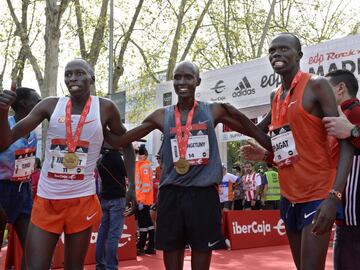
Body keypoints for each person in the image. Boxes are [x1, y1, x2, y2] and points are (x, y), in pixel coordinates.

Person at [105, 60, 272, 270]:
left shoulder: (213, 111)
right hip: (171, 194)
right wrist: (101, 120)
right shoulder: (162, 115)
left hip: (203, 195)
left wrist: (269, 145)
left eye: (188, 77)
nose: (182, 82)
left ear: (198, 81)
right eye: (177, 77)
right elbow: (120, 141)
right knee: (172, 258)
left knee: (201, 256)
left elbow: (252, 130)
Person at [0, 58, 136, 270]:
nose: (73, 78)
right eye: (68, 74)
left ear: (92, 78)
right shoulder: (50, 105)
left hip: (81, 199)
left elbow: (126, 143)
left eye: (79, 73)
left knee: (74, 266)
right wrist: (2, 111)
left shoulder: (105, 108)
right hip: (47, 199)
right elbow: (5, 141)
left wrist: (132, 185)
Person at [240, 33, 353, 270]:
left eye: (283, 49)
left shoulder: (316, 85)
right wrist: (228, 116)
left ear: (299, 55)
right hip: (289, 195)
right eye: (272, 50)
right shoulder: (275, 96)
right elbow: (269, 138)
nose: (276, 54)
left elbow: (346, 142)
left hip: (318, 192)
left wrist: (334, 197)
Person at [322, 69, 360, 270]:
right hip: (345, 215)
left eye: (324, 89)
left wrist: (352, 131)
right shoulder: (339, 115)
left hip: (353, 216)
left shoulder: (354, 112)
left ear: (341, 88)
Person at [0, 86, 41, 269]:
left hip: (22, 190)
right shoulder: (4, 125)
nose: (41, 104)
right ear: (25, 104)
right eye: (37, 100)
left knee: (33, 247)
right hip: (2, 189)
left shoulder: (33, 130)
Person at [95, 142, 135, 270]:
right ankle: (112, 266)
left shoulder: (101, 160)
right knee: (114, 235)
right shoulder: (117, 157)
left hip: (105, 199)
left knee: (102, 233)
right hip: (117, 199)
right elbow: (127, 172)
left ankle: (100, 264)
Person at [135, 144, 155, 255]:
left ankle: (141, 245)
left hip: (143, 200)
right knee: (148, 222)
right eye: (139, 155)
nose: (139, 156)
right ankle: (151, 245)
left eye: (141, 155)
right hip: (142, 199)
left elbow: (145, 186)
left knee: (143, 223)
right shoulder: (141, 165)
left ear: (146, 155)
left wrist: (141, 200)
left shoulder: (144, 166)